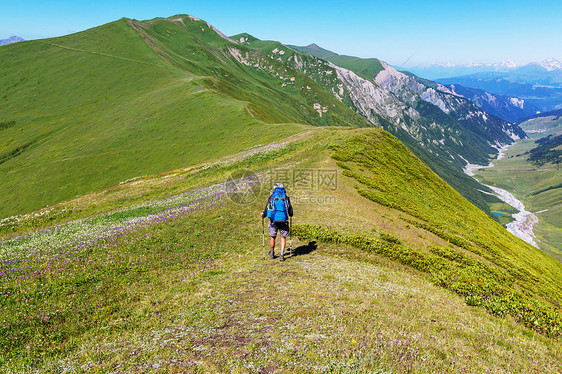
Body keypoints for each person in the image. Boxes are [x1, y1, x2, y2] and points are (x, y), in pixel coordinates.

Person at [261, 182, 293, 261]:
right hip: (284, 220)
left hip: (273, 221)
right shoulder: (286, 197)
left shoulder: (272, 197)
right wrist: (290, 215)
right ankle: (282, 255)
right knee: (283, 237)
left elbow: (267, 208)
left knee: (273, 237)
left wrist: (263, 214)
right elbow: (290, 210)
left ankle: (272, 253)